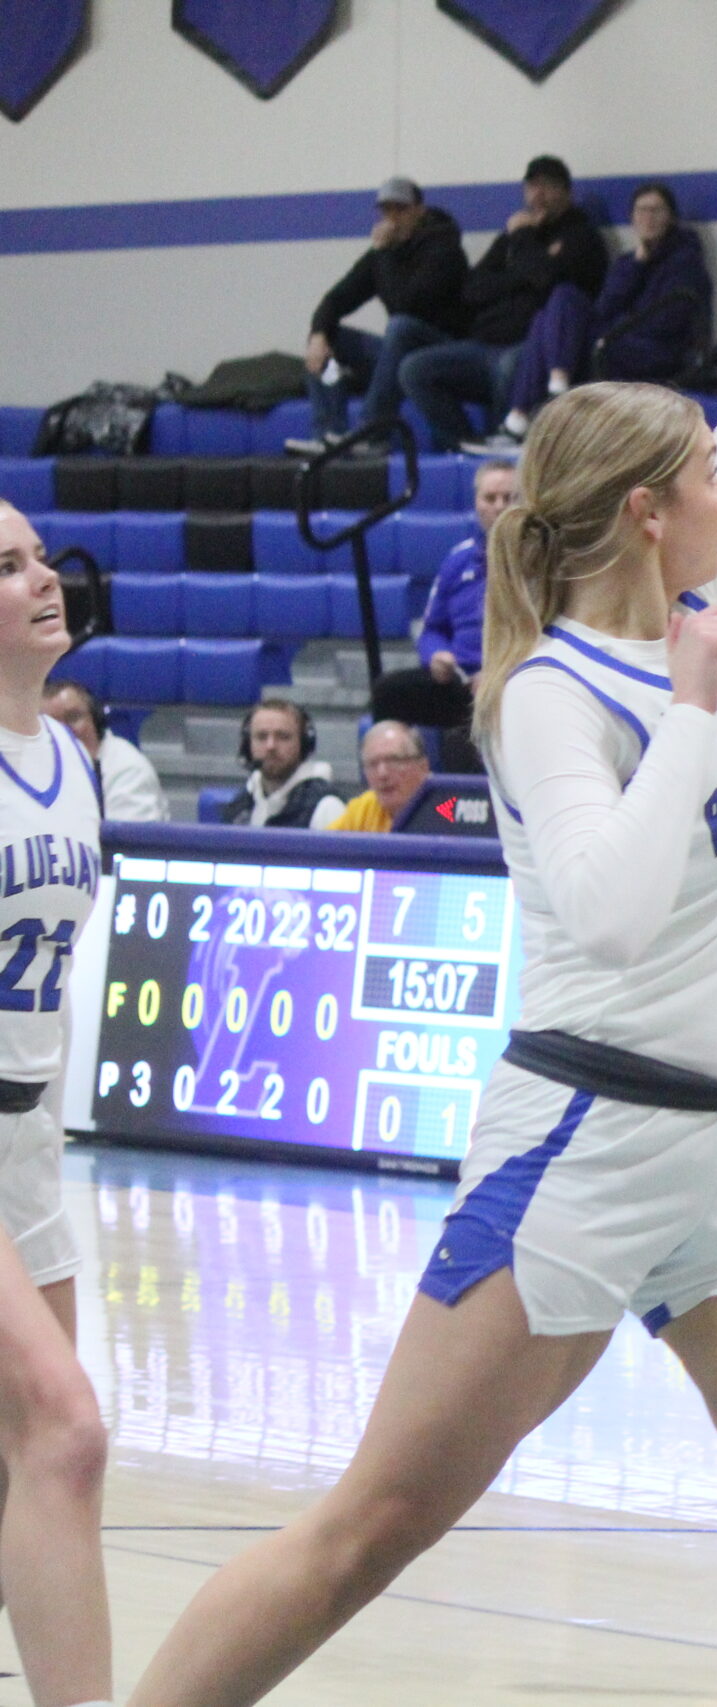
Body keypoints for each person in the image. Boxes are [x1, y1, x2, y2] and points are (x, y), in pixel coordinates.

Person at [124, 13, 717, 1707]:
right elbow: (616, 915)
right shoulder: (552, 693)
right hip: (587, 1142)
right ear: (650, 510)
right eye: (709, 468)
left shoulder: (686, 580)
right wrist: (697, 710)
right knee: (369, 1529)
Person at [0, 503, 111, 1707]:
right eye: (6, 567)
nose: (44, 579)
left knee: (25, 1466)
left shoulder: (72, 760)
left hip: (27, 1141)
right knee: (66, 1429)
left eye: (39, 558)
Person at [479, 182, 716, 451]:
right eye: (642, 210)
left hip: (655, 350)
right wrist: (636, 267)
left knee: (551, 333)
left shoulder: (685, 262)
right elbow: (605, 307)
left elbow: (667, 322)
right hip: (617, 341)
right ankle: (552, 388)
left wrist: (614, 331)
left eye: (656, 210)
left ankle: (523, 416)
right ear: (632, 217)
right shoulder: (628, 262)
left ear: (671, 218)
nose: (648, 217)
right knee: (556, 305)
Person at [400, 154, 609, 454]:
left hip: (534, 347)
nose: (537, 195)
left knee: (509, 367)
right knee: (414, 369)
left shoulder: (581, 237)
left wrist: (523, 239)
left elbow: (550, 283)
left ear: (566, 192)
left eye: (547, 186)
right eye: (531, 187)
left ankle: (506, 447)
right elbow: (472, 289)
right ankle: (462, 447)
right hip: (484, 343)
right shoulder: (510, 238)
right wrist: (524, 270)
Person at [295, 175, 470, 450]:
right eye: (387, 210)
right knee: (329, 338)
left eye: (401, 209)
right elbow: (336, 299)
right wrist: (319, 334)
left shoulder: (443, 248)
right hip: (398, 354)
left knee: (401, 326)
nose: (392, 218)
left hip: (443, 349)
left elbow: (407, 305)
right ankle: (328, 434)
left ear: (419, 211)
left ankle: (372, 431)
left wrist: (383, 254)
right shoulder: (385, 253)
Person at [370, 457, 517, 765]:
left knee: (465, 738)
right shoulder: (457, 560)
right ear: (476, 503)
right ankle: (397, 777)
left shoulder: (542, 563)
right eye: (490, 498)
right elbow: (432, 629)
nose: (499, 506)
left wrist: (498, 675)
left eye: (509, 498)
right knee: (388, 692)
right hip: (459, 680)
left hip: (515, 682)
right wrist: (435, 655)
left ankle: (462, 795)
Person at [44, 676, 164, 821]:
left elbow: (124, 835)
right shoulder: (37, 767)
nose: (63, 731)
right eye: (50, 724)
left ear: (96, 720)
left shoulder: (127, 769)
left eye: (73, 718)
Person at [218, 698, 346, 830]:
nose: (270, 746)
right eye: (261, 737)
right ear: (247, 745)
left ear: (303, 744)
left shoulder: (326, 807)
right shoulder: (242, 806)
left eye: (283, 737)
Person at [328, 720, 431, 833]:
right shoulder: (364, 810)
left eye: (394, 761)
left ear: (423, 767)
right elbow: (322, 842)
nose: (382, 774)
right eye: (372, 764)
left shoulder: (443, 808)